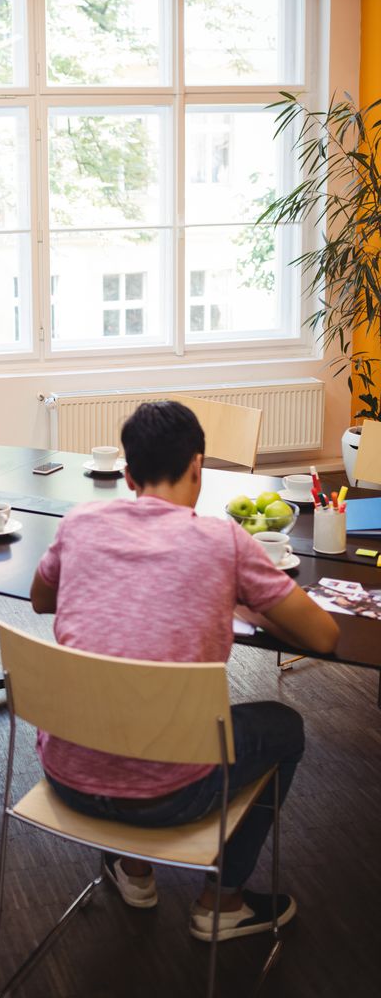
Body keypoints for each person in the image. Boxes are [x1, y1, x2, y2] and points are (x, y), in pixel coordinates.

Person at [29, 401, 339, 941]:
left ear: (127, 476)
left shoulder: (80, 522)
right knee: (285, 728)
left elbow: (40, 600)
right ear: (198, 466)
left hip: (69, 776)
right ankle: (223, 902)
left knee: (114, 689)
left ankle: (134, 869)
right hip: (171, 795)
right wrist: (246, 604)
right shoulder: (224, 543)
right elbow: (323, 636)